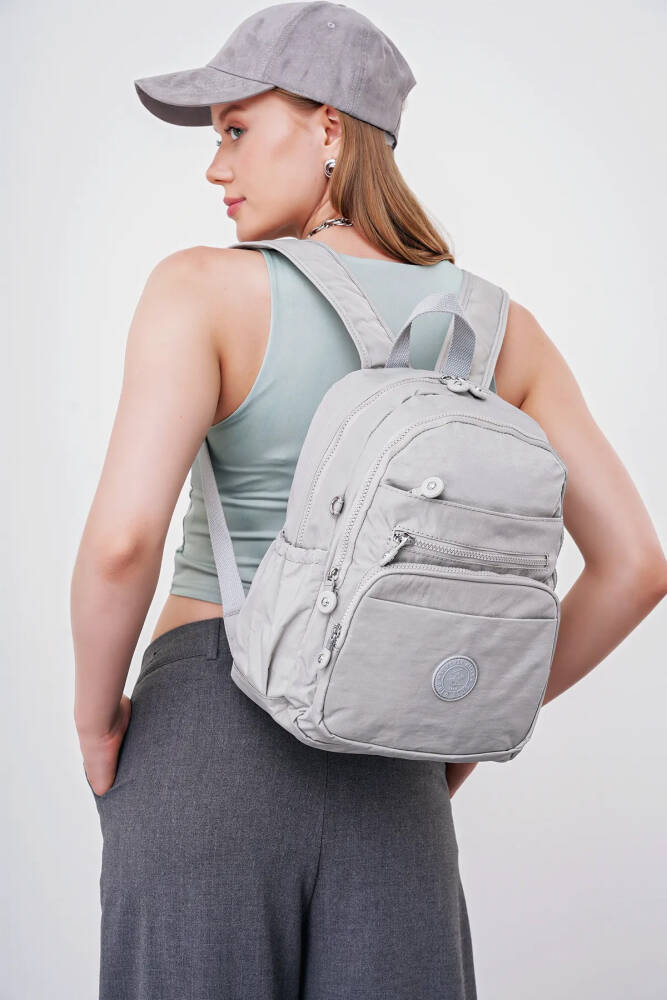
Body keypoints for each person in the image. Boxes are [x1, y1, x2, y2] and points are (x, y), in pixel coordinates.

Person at [71, 3, 667, 998]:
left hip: (205, 739)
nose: (214, 167)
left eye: (235, 130)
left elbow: (122, 543)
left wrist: (97, 725)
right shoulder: (498, 328)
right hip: (394, 764)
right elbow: (637, 567)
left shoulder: (201, 289)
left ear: (329, 130)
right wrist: (463, 720)